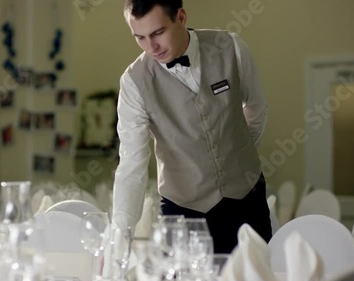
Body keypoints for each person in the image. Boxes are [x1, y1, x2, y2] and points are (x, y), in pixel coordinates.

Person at [112, 0, 270, 253]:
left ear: (181, 17)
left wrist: (240, 156)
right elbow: (132, 164)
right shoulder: (134, 82)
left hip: (246, 200)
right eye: (139, 37)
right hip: (182, 211)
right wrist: (120, 235)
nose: (150, 46)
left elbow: (256, 107)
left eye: (157, 33)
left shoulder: (231, 47)